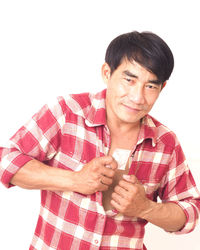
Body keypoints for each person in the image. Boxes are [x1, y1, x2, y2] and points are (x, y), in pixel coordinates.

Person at [0, 31, 200, 250]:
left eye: (150, 86)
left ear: (162, 88)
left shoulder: (165, 143)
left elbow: (190, 212)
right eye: (129, 80)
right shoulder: (67, 113)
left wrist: (145, 208)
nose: (137, 97)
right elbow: (6, 160)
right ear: (107, 73)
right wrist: (75, 180)